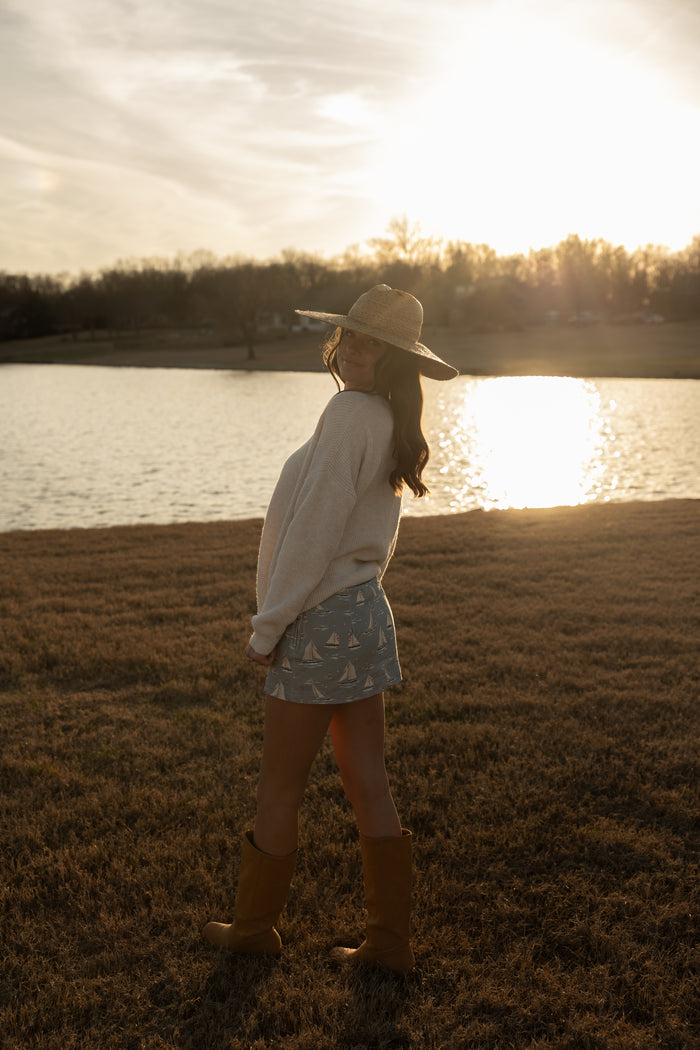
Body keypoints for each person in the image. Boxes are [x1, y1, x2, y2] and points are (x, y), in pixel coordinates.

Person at [204, 284, 458, 974]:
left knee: (280, 786)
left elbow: (314, 532)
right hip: (365, 614)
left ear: (397, 359)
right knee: (368, 780)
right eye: (351, 336)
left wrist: (268, 627)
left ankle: (254, 929)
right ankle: (389, 944)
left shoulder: (349, 414)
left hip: (320, 620)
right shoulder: (387, 418)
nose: (353, 350)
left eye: (373, 343)